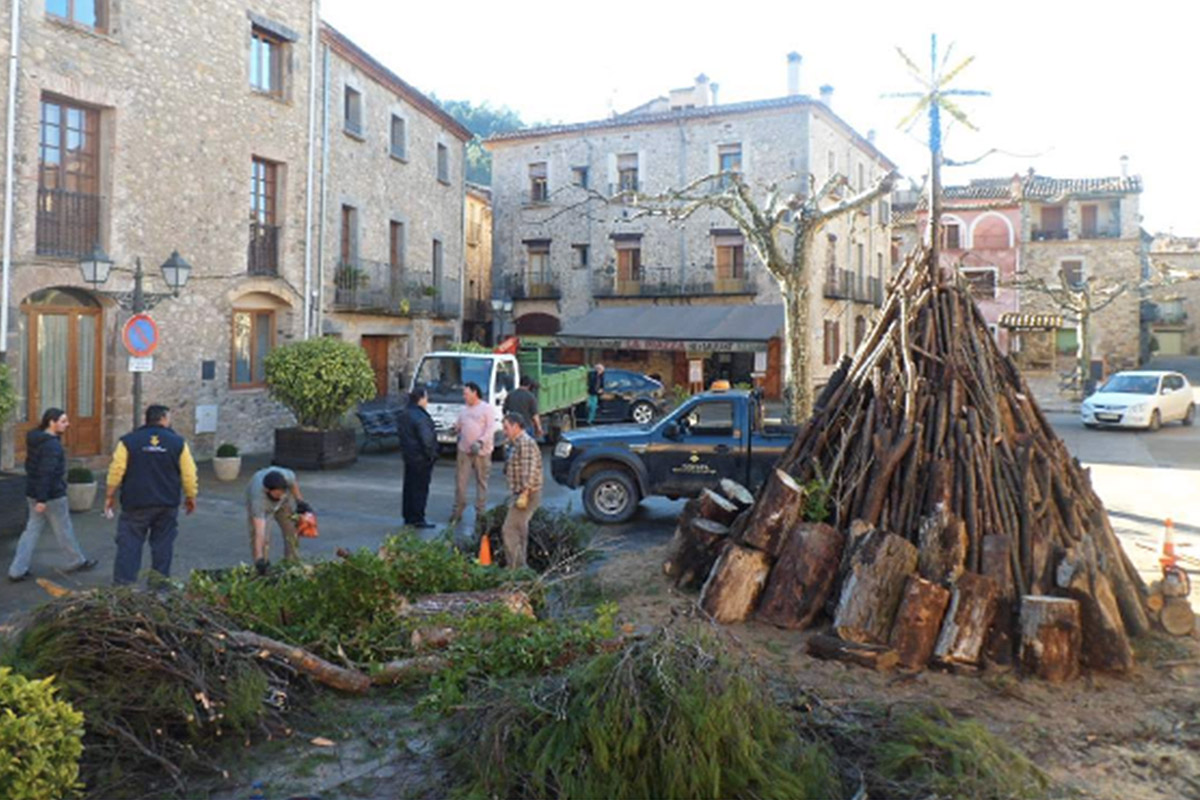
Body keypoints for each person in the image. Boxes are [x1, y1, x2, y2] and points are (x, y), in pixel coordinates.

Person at [105, 405, 198, 586]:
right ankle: (159, 587)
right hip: (166, 503)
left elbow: (116, 470)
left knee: (129, 545)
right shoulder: (178, 443)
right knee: (163, 546)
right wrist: (190, 497)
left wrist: (109, 495)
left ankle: (124, 586)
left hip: (135, 503)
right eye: (168, 418)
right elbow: (189, 474)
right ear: (163, 419)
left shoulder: (128, 441)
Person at [7, 408, 97, 582]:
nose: (68, 424)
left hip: (34, 492)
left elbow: (32, 468)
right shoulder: (52, 446)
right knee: (64, 530)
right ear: (51, 422)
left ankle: (16, 570)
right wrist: (42, 499)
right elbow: (46, 473)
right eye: (63, 421)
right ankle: (76, 561)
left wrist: (38, 496)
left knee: (31, 530)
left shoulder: (36, 439)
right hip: (51, 496)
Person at [500, 412, 543, 569]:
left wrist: (524, 493)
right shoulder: (517, 443)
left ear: (516, 426)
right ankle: (520, 567)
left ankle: (515, 569)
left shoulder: (524, 443)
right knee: (520, 529)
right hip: (523, 493)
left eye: (506, 428)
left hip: (527, 494)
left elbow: (529, 470)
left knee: (510, 529)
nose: (504, 431)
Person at [448, 381, 495, 525]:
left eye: (466, 393)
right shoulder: (464, 410)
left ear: (475, 393)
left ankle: (480, 512)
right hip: (464, 450)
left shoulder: (486, 409)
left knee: (481, 482)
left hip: (481, 451)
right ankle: (458, 510)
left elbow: (490, 429)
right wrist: (454, 429)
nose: (464, 396)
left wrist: (480, 442)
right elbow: (460, 425)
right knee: (460, 482)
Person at [245, 467, 305, 575]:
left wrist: (300, 501)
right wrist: (259, 558)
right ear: (267, 490)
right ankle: (262, 566)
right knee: (265, 538)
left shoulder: (287, 477)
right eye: (277, 494)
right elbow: (259, 532)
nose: (281, 495)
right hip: (264, 506)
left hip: (283, 504)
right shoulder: (257, 500)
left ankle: (292, 564)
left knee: (292, 531)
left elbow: (293, 483)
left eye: (282, 492)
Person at [398, 387, 438, 529]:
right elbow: (426, 439)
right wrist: (431, 455)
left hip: (409, 456)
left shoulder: (404, 413)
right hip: (421, 458)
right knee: (420, 488)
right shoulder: (420, 416)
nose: (427, 401)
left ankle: (408, 515)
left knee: (409, 487)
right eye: (426, 398)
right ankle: (418, 517)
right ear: (420, 399)